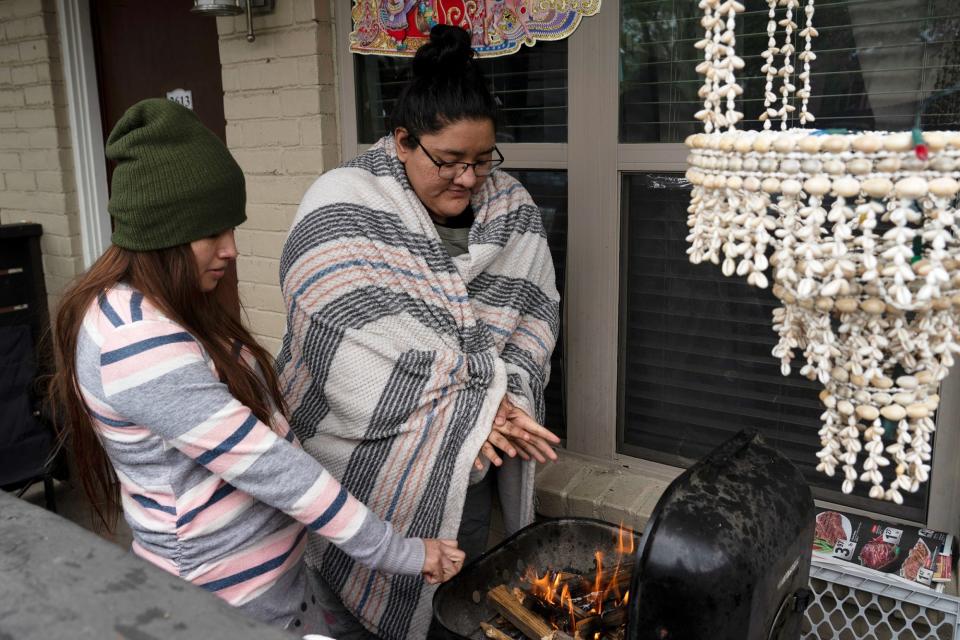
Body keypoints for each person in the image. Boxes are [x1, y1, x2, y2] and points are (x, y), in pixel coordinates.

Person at [49, 98, 464, 635]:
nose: (231, 250)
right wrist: (401, 552)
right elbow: (270, 466)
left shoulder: (151, 307)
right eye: (213, 233)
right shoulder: (138, 339)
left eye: (232, 229)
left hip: (266, 588)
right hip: (224, 602)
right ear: (163, 234)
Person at [277, 25, 561, 640]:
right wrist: (476, 405)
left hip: (470, 468)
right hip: (358, 466)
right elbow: (338, 325)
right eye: (450, 161)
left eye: (482, 161)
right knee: (346, 617)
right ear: (404, 142)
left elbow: (533, 319)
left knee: (452, 605)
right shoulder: (344, 199)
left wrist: (496, 402)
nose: (467, 179)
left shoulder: (511, 208)